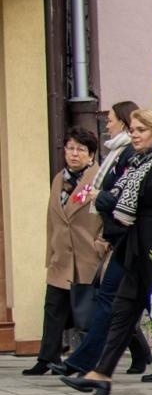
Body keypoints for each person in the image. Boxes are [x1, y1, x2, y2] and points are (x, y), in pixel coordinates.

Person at [61, 109, 152, 395]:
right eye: (134, 130)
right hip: (137, 251)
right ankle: (101, 374)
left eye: (141, 130)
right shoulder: (139, 164)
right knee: (122, 312)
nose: (135, 135)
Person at [64, 101, 152, 377]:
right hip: (124, 239)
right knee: (127, 303)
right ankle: (101, 368)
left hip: (132, 239)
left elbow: (121, 197)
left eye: (111, 119)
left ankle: (91, 365)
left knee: (127, 302)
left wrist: (99, 198)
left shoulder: (132, 154)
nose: (107, 124)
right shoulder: (124, 153)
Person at [24, 130, 101, 375]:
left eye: (80, 149)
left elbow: (109, 217)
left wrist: (101, 244)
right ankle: (47, 358)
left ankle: (139, 352)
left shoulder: (99, 179)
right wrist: (51, 251)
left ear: (90, 155)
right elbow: (53, 219)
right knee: (53, 307)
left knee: (90, 312)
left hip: (86, 255)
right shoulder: (60, 178)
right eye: (70, 148)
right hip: (62, 257)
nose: (74, 154)